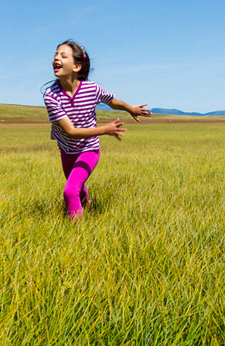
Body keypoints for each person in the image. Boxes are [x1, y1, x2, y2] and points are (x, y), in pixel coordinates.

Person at [41, 40, 151, 219]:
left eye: (63, 56)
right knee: (78, 188)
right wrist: (104, 129)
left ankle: (77, 235)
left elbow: (112, 101)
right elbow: (70, 132)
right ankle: (86, 205)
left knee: (70, 191)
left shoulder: (92, 89)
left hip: (89, 148)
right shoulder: (51, 96)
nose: (56, 59)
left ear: (77, 66)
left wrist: (130, 108)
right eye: (55, 55)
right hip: (67, 148)